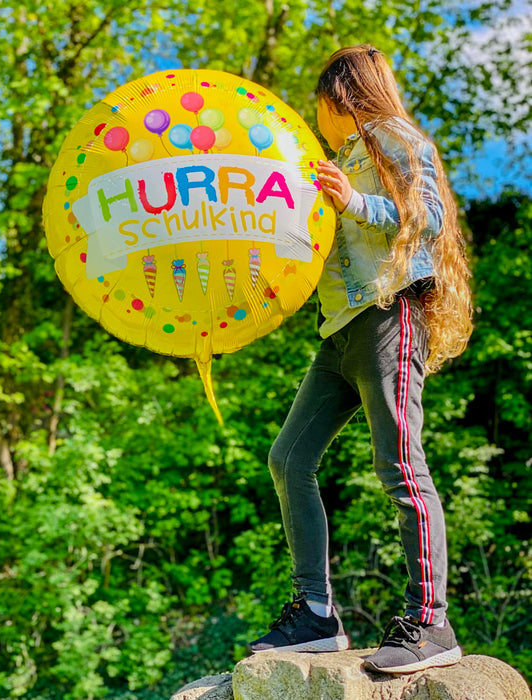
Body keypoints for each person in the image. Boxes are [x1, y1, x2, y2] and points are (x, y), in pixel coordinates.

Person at [248, 44, 473, 674]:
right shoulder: (338, 160)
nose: (316, 119)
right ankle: (316, 614)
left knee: (400, 464)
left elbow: (425, 220)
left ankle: (431, 621)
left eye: (319, 105)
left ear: (340, 97)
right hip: (339, 329)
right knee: (289, 458)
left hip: (388, 313)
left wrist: (352, 200)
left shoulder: (394, 139)